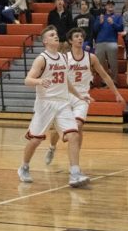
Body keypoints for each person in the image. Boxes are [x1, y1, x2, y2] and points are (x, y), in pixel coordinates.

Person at [18, 26, 93, 187]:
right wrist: (39, 81)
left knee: (73, 135)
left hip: (63, 103)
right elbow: (27, 80)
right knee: (35, 140)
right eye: (52, 35)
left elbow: (66, 81)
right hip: (45, 104)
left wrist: (79, 96)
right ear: (45, 41)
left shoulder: (63, 57)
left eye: (56, 34)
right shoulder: (41, 59)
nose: (56, 36)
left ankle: (74, 174)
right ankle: (24, 167)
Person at [45, 29, 125, 165]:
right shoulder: (64, 58)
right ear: (70, 41)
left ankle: (75, 159)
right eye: (76, 36)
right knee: (57, 131)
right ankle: (52, 148)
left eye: (81, 36)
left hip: (82, 98)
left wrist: (117, 93)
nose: (80, 38)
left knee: (78, 126)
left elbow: (105, 76)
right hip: (65, 96)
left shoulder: (91, 58)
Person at [93, 0, 123, 83]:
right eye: (108, 5)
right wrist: (100, 23)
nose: (110, 6)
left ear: (114, 7)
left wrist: (113, 23)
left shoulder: (118, 17)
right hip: (99, 42)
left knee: (113, 62)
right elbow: (94, 30)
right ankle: (104, 79)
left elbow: (121, 28)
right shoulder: (100, 17)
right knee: (100, 62)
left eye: (112, 5)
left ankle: (114, 80)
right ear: (105, 7)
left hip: (112, 42)